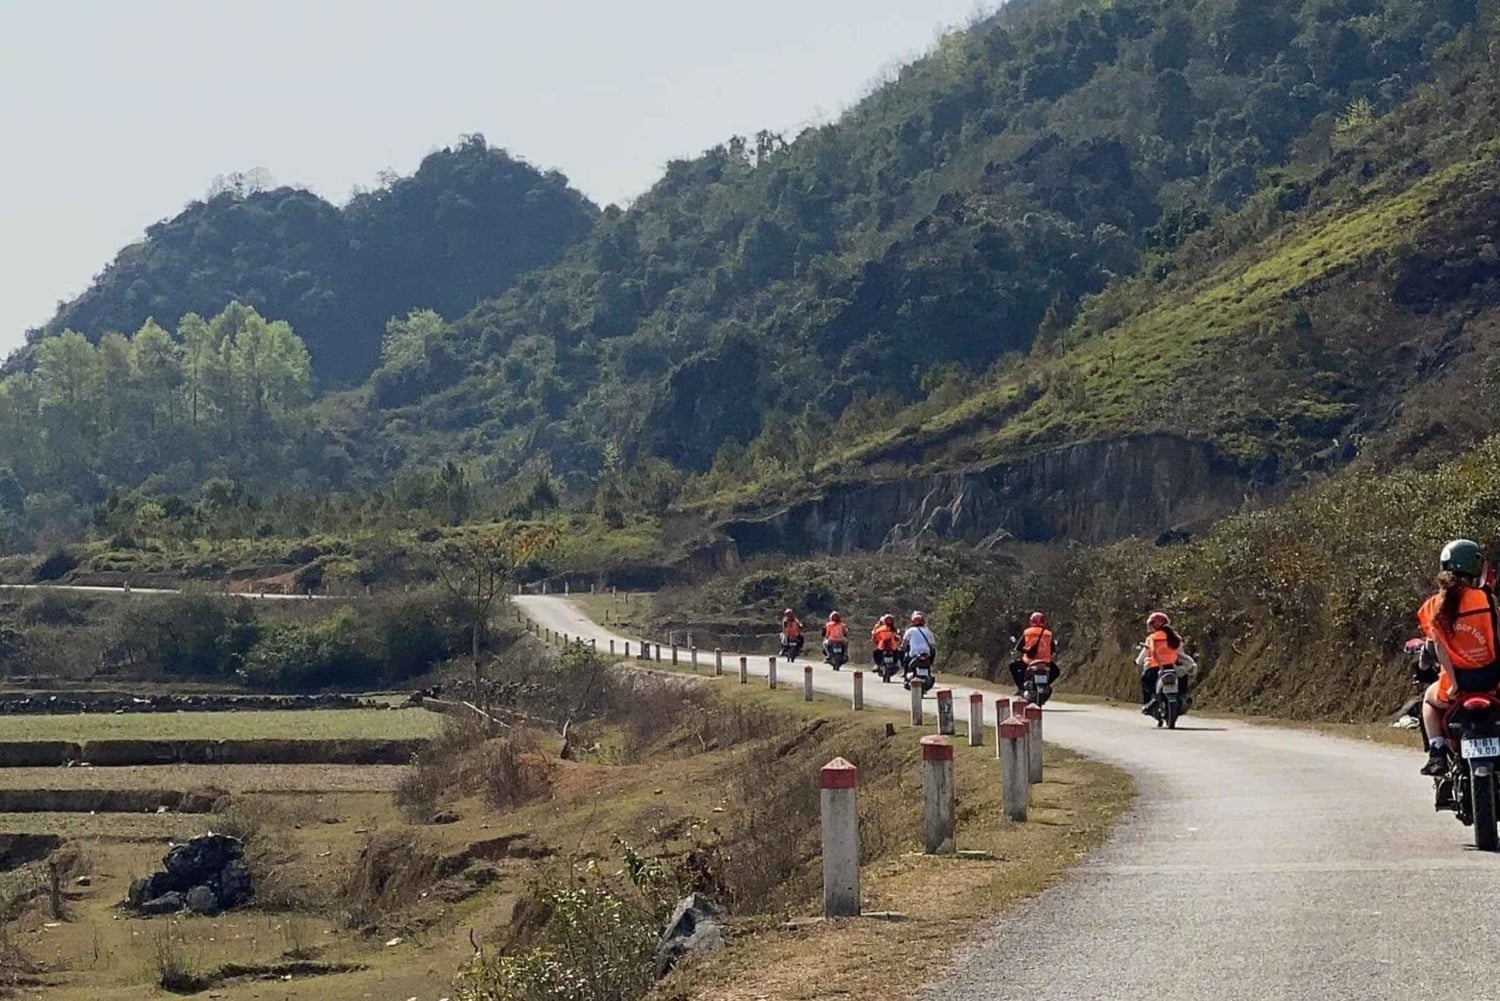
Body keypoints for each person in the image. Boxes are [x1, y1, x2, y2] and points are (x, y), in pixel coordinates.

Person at [1416, 539, 1500, 776]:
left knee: (1429, 702)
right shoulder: (1487, 599)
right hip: (1493, 684)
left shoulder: (1433, 606)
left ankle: (1437, 753)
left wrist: (1452, 682)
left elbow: (1435, 649)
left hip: (1456, 688)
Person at [1138, 611, 1187, 713]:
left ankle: (1149, 702)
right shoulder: (1175, 637)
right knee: (1183, 677)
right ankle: (1182, 697)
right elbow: (1181, 653)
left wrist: (1138, 662)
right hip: (1173, 667)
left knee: (1145, 681)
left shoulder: (1152, 638)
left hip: (1156, 667)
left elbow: (1144, 654)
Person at [1010, 611, 1058, 694]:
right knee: (1056, 671)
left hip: (1029, 661)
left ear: (1031, 621)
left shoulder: (1027, 632)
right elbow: (1053, 649)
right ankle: (1045, 684)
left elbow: (1019, 647)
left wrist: (1026, 651)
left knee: (1013, 666)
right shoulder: (1048, 634)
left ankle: (1021, 687)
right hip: (1045, 662)